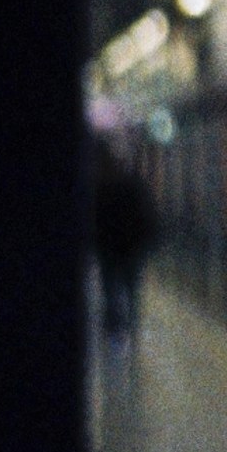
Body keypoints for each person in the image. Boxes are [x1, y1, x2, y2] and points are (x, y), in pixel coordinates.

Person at [91, 139, 160, 342]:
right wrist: (148, 243)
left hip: (109, 249)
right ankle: (131, 325)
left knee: (110, 289)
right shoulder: (136, 186)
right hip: (131, 248)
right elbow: (148, 216)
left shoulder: (101, 188)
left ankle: (114, 329)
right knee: (131, 288)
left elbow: (94, 219)